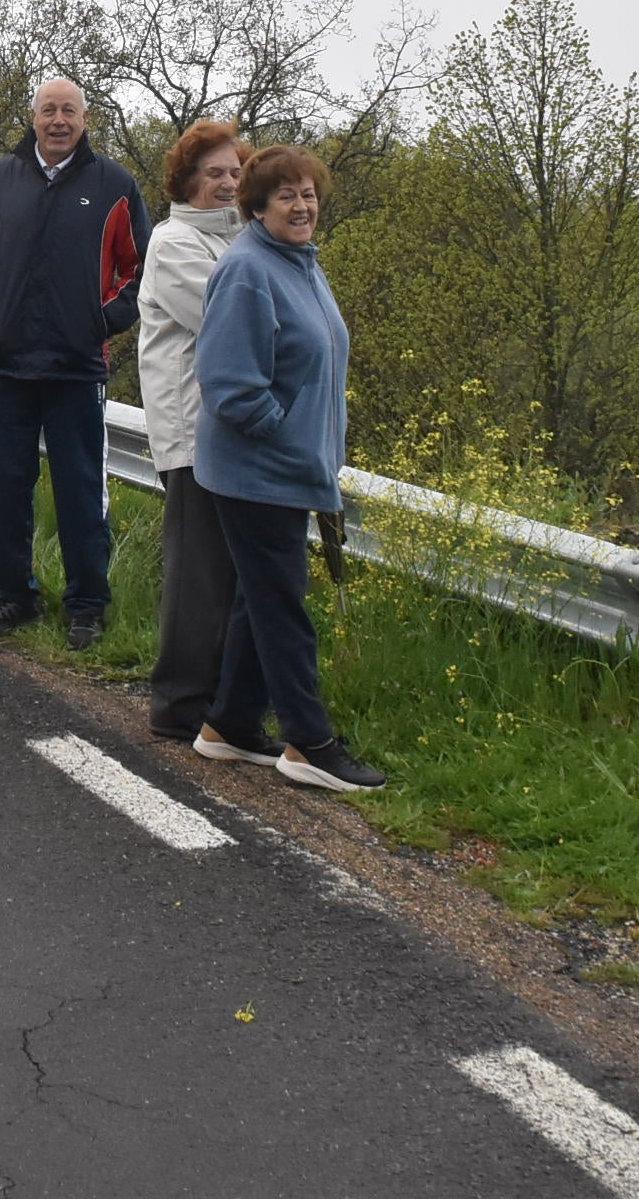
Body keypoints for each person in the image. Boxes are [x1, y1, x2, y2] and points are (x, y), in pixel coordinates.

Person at [192, 145, 387, 792]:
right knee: (283, 605)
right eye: (287, 196)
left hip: (291, 467)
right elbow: (228, 384)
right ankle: (309, 741)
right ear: (256, 205)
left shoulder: (301, 263)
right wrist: (283, 434)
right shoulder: (248, 270)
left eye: (308, 194)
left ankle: (230, 726)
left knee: (260, 596)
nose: (302, 206)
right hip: (257, 472)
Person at [0, 77, 152, 648]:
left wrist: (101, 321)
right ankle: (15, 595)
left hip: (76, 368)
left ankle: (87, 603)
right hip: (7, 366)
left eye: (69, 111)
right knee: (7, 489)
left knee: (81, 492)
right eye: (48, 111)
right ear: (33, 117)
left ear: (85, 118)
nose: (58, 120)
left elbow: (141, 269)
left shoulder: (114, 184)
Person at [136, 120, 249, 740]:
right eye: (214, 174)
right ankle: (179, 704)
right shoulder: (175, 241)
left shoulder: (240, 242)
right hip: (193, 427)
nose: (228, 184)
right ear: (187, 180)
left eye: (235, 172)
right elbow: (227, 322)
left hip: (234, 431)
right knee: (197, 572)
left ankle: (225, 701)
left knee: (227, 571)